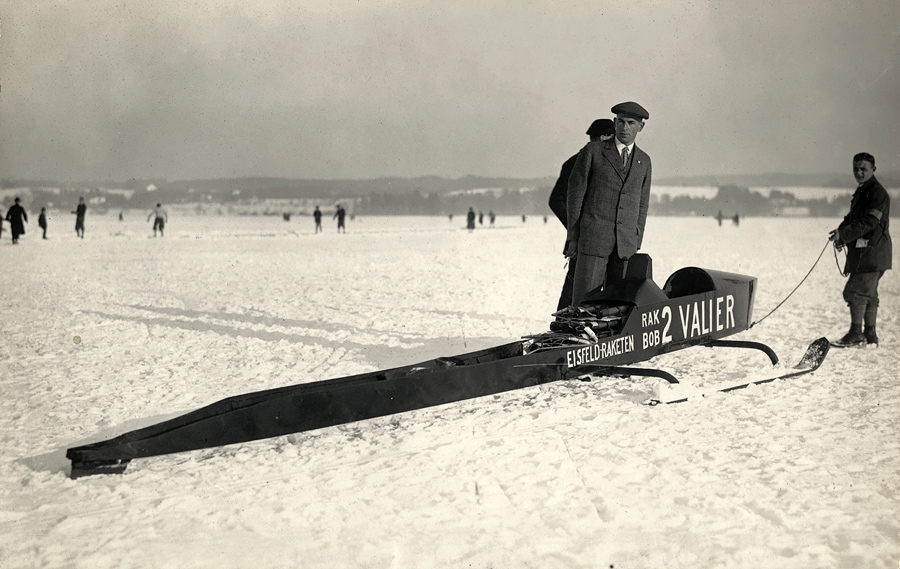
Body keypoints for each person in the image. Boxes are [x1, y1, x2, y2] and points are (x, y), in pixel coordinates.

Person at [566, 102, 652, 306]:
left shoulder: (644, 161)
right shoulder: (593, 152)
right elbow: (575, 197)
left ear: (641, 127)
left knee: (618, 307)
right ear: (614, 123)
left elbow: (642, 204)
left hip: (625, 247)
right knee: (584, 305)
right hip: (593, 241)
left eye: (631, 123)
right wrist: (573, 237)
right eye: (620, 122)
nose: (625, 128)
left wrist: (636, 238)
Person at [548, 118, 615, 310]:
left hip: (610, 239)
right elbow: (556, 200)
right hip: (584, 240)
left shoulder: (612, 162)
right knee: (574, 292)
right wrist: (580, 227)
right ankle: (563, 326)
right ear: (604, 137)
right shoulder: (574, 163)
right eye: (612, 137)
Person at [828, 152, 891, 347]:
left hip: (873, 253)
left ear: (873, 169)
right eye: (856, 168)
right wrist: (841, 233)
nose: (859, 172)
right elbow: (852, 218)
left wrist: (844, 235)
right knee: (868, 294)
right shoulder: (864, 190)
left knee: (855, 291)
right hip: (868, 253)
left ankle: (856, 334)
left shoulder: (877, 193)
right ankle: (870, 335)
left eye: (863, 169)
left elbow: (869, 222)